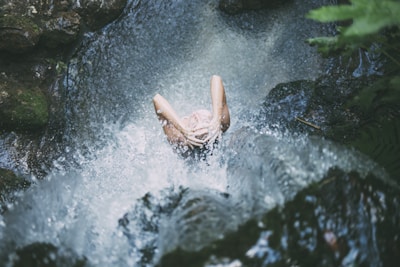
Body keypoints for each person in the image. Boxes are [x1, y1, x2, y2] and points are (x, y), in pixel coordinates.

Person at [153, 75, 230, 151]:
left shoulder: (179, 140)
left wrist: (182, 129)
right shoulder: (222, 124)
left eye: (194, 124)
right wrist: (216, 118)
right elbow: (216, 79)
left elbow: (157, 99)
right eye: (205, 121)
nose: (197, 117)